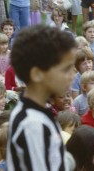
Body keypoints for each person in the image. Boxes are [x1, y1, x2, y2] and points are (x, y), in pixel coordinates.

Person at [6, 26, 76, 170]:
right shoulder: (32, 125)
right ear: (37, 74)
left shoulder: (38, 111)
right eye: (65, 69)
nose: (72, 75)